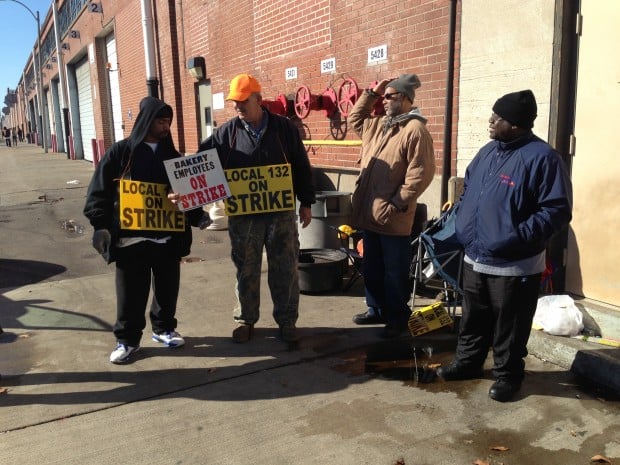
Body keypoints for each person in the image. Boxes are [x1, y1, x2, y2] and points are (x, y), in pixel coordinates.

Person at [437, 89, 573, 402]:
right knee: (473, 318)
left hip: (514, 264)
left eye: (498, 117)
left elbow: (556, 210)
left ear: (515, 124)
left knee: (509, 326)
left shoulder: (543, 158)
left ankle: (508, 376)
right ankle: (469, 363)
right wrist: (463, 220)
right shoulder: (488, 151)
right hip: (475, 257)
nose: (490, 120)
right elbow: (469, 186)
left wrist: (515, 238)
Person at [84, 96, 211, 363]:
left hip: (167, 238)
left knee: (167, 288)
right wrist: (100, 225)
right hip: (132, 240)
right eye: (160, 121)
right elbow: (99, 193)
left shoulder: (174, 157)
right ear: (146, 121)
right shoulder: (120, 154)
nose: (165, 127)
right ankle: (127, 340)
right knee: (131, 294)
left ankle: (164, 328)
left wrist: (197, 214)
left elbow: (188, 194)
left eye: (168, 122)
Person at [198, 73, 315, 343]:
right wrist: (181, 190)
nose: (238, 107)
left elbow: (300, 165)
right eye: (234, 102)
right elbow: (199, 164)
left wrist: (306, 202)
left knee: (284, 267)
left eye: (243, 101)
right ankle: (245, 320)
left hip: (280, 214)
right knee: (245, 268)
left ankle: (286, 321)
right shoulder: (224, 134)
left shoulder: (284, 129)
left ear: (258, 100)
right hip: (244, 217)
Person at [347, 74, 436, 338]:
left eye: (390, 96)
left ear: (407, 99)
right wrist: (372, 92)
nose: (384, 100)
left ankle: (397, 317)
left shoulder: (415, 130)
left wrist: (397, 204)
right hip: (370, 214)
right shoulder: (379, 125)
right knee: (371, 267)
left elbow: (421, 174)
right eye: (383, 96)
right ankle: (375, 309)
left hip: (393, 217)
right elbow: (355, 119)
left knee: (394, 271)